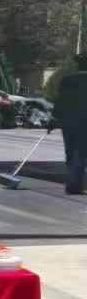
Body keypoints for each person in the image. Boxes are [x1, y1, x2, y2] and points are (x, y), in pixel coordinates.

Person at [54, 53, 87, 195]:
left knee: (70, 151)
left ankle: (76, 183)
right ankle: (73, 185)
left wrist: (54, 118)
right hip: (84, 122)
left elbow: (59, 100)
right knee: (81, 153)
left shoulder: (66, 80)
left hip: (67, 121)